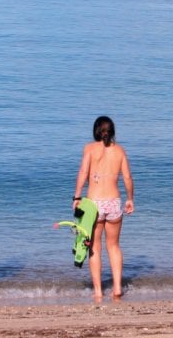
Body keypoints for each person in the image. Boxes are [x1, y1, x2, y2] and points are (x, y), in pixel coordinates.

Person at [72, 115, 134, 301]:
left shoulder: (89, 149)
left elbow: (83, 172)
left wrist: (76, 196)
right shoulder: (120, 151)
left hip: (94, 204)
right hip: (114, 202)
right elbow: (128, 178)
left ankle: (98, 292)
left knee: (94, 248)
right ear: (112, 132)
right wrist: (130, 199)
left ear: (96, 131)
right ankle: (117, 289)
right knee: (114, 246)